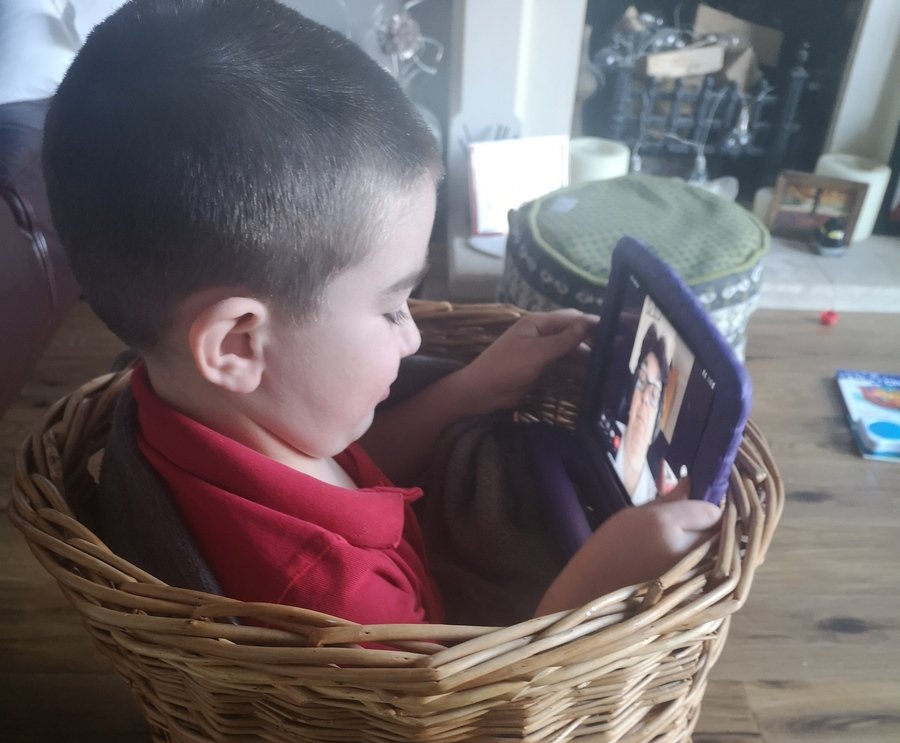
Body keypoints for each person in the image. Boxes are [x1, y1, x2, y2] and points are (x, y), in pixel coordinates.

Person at [42, 0, 720, 626]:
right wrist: (597, 582)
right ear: (237, 346)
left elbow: (345, 477)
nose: (414, 335)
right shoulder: (332, 594)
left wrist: (474, 387)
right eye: (393, 306)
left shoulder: (211, 411)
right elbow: (461, 697)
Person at [614, 324, 677, 504]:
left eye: (654, 393)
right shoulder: (607, 430)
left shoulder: (652, 497)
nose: (644, 398)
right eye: (641, 381)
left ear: (658, 415)